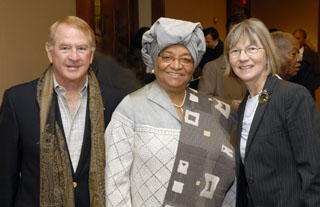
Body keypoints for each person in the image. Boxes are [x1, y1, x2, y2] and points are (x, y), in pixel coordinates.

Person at [105, 17, 237, 207]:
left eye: (185, 59)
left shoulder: (211, 109)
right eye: (167, 57)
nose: (176, 65)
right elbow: (115, 182)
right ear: (154, 61)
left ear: (194, 66)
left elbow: (224, 173)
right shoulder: (132, 107)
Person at [0, 16, 124, 207]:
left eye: (81, 48)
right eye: (65, 48)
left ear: (91, 55)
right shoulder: (17, 101)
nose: (74, 56)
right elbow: (5, 177)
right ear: (50, 52)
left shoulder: (115, 102)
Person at [224, 18, 320, 207]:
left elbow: (313, 171)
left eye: (252, 48)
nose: (243, 57)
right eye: (235, 51)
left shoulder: (292, 96)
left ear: (267, 53)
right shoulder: (245, 104)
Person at [198, 15, 247, 112]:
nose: (238, 40)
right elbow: (202, 101)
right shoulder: (212, 68)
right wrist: (230, 104)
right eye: (233, 34)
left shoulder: (252, 67)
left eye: (242, 34)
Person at [292, 28, 320, 98]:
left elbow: (318, 75)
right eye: (293, 38)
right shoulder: (287, 54)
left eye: (298, 38)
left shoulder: (313, 55)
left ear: (304, 40)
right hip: (291, 93)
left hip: (308, 94)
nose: (295, 41)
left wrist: (310, 88)